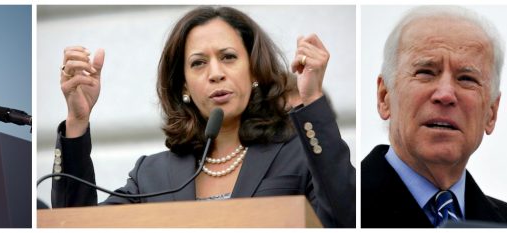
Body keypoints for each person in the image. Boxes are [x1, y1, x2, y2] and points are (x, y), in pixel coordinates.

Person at [51, 6, 355, 228]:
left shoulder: (298, 155)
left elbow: (346, 218)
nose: (216, 74)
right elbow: (74, 225)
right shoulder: (151, 174)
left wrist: (312, 99)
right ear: (183, 84)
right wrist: (77, 120)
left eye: (228, 57)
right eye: (198, 63)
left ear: (253, 71)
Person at [361, 6, 507, 228]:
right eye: (425, 72)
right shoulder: (343, 208)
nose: (445, 94)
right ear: (384, 97)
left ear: (491, 112)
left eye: (467, 78)